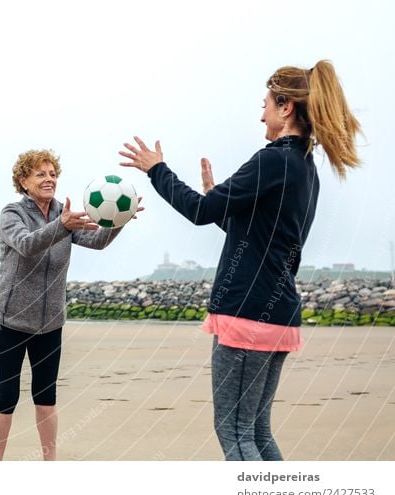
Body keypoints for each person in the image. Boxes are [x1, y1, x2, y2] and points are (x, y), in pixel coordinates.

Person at [119, 60, 361, 461]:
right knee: (256, 432)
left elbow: (197, 210)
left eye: (265, 103)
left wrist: (156, 170)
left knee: (233, 431)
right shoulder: (305, 168)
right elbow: (263, 238)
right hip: (279, 314)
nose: (261, 113)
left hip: (249, 315)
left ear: (286, 107)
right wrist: (224, 205)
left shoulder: (273, 159)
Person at [0, 149, 143, 460]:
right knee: (6, 395)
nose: (49, 179)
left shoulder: (63, 212)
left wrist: (119, 219)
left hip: (50, 323)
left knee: (46, 396)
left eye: (52, 174)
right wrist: (62, 225)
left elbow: (97, 241)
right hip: (9, 320)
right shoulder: (12, 214)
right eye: (40, 174)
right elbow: (26, 245)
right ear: (23, 181)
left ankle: (50, 463)